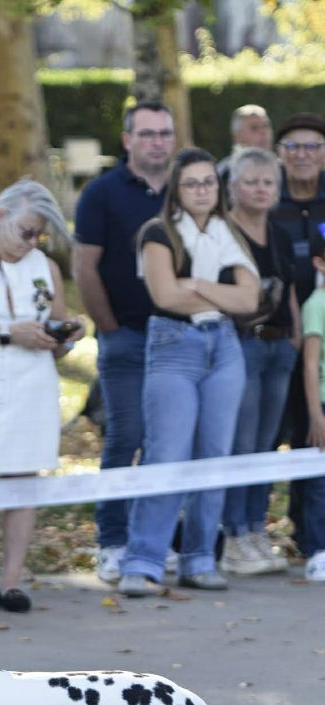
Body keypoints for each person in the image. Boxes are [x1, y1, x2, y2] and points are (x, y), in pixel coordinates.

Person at [117, 147, 259, 597]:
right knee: (168, 454)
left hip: (226, 348)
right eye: (192, 183)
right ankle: (142, 562)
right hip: (175, 346)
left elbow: (250, 302)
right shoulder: (158, 232)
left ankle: (200, 558)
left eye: (209, 182)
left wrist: (196, 284)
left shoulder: (227, 230)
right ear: (177, 191)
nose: (202, 190)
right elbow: (165, 296)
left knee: (214, 455)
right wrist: (222, 296)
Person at [73, 101, 176, 584]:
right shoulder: (101, 193)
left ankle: (156, 543)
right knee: (126, 438)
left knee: (167, 443)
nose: (157, 141)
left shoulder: (187, 188)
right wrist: (110, 328)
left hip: (181, 340)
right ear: (128, 139)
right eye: (148, 134)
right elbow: (85, 267)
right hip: (128, 339)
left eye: (165, 134)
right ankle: (112, 542)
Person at [0, 178, 84, 612]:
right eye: (26, 231)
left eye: (39, 234)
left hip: (32, 382)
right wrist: (5, 334)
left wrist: (69, 332)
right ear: (0, 217)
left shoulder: (44, 266)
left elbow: (56, 325)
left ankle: (12, 579)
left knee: (23, 479)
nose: (32, 241)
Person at [220, 148, 299, 575]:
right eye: (251, 181)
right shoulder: (223, 232)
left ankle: (255, 531)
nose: (261, 189)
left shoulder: (281, 231)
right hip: (242, 346)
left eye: (268, 182)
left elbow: (287, 290)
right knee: (242, 443)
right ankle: (234, 535)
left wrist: (296, 337)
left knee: (266, 446)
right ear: (232, 187)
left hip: (279, 348)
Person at [271, 112, 325, 553]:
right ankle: (246, 531)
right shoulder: (266, 202)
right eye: (293, 147)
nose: (303, 155)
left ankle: (311, 536)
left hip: (321, 342)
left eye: (312, 147)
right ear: (279, 155)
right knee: (271, 436)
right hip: (277, 339)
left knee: (316, 432)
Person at [298, 234, 325, 582]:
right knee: (320, 482)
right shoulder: (316, 304)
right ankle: (318, 549)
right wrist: (316, 414)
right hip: (324, 400)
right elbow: (309, 364)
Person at [217, 104, 273, 186]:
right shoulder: (227, 172)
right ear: (237, 136)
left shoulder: (281, 169)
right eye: (254, 128)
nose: (263, 132)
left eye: (266, 126)